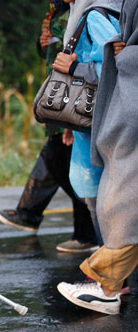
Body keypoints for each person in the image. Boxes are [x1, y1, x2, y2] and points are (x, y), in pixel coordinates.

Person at [0, 0, 99, 253]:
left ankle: (85, 230)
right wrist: (44, 44)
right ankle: (39, 216)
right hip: (59, 94)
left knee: (60, 158)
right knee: (60, 158)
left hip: (71, 98)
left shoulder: (89, 12)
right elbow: (55, 54)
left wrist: (70, 119)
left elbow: (86, 57)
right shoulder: (61, 12)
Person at [58, 0, 137, 315]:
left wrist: (125, 54)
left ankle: (108, 284)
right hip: (113, 114)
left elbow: (109, 67)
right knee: (117, 200)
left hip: (122, 113)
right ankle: (110, 283)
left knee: (119, 200)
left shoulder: (95, 13)